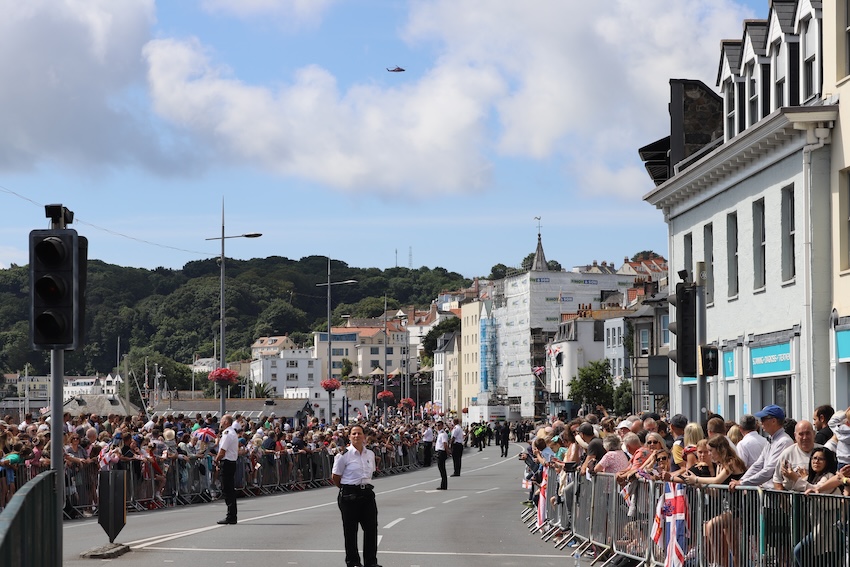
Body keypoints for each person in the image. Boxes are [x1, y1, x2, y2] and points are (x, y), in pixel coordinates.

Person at [331, 424, 381, 567]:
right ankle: (353, 562)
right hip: (349, 495)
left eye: (359, 433)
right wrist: (346, 488)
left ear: (364, 437)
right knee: (350, 531)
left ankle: (371, 562)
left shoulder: (370, 454)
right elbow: (335, 476)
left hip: (367, 494)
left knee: (371, 529)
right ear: (349, 437)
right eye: (354, 434)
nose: (356, 436)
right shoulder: (343, 455)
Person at [213, 414, 238, 525]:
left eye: (222, 420)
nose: (220, 422)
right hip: (231, 462)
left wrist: (216, 460)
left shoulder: (227, 433)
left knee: (227, 490)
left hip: (227, 462)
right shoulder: (232, 432)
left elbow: (222, 451)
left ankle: (231, 516)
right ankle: (232, 515)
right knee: (229, 489)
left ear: (227, 422)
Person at [434, 419, 449, 490]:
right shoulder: (439, 433)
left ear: (442, 426)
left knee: (442, 469)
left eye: (439, 425)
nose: (437, 427)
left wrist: (447, 452)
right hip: (439, 452)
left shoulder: (443, 434)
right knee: (441, 469)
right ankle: (443, 484)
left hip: (441, 452)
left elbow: (445, 444)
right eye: (436, 425)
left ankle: (444, 485)